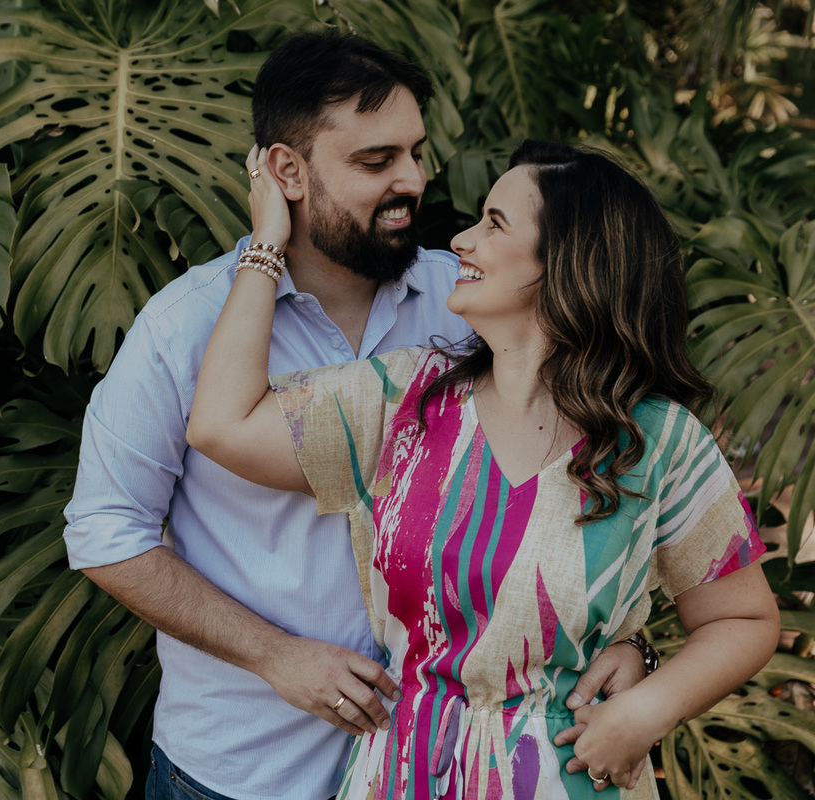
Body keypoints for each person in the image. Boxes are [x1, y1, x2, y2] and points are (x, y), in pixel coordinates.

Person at [63, 30, 649, 800]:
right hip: (245, 769)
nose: (412, 180)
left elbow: (596, 467)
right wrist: (273, 654)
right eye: (376, 162)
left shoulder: (471, 304)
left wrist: (630, 635)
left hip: (435, 771)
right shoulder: (186, 327)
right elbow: (106, 532)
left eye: (415, 152)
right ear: (286, 172)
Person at [186, 138, 780, 799]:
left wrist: (649, 707)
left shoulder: (658, 442)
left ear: (569, 263)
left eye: (494, 223)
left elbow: (744, 618)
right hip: (399, 778)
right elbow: (221, 425)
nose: (462, 240)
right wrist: (266, 245)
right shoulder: (404, 400)